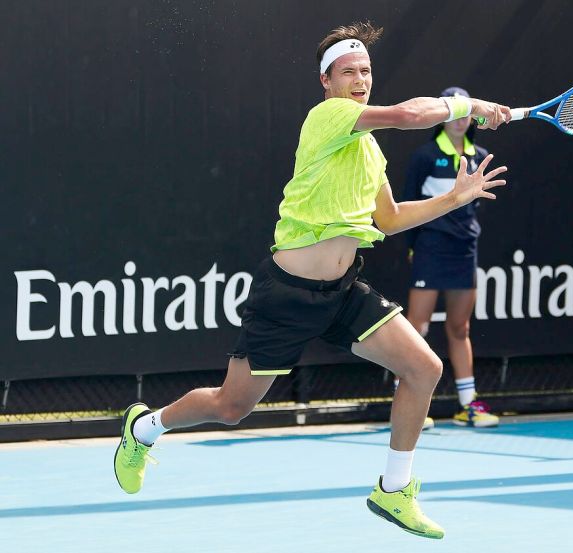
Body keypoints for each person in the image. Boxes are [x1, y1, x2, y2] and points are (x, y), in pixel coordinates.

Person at [111, 21, 510, 540]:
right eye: (349, 71)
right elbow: (411, 114)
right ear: (327, 81)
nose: (360, 78)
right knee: (231, 408)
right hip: (287, 296)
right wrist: (471, 105)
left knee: (423, 368)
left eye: (366, 69)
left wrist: (452, 199)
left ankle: (393, 490)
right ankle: (144, 428)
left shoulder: (368, 150)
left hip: (342, 293)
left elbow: (387, 219)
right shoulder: (329, 117)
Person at [401, 87, 499, 428]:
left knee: (460, 327)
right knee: (418, 327)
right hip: (430, 248)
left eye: (465, 113)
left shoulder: (480, 155)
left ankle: (468, 405)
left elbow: (474, 207)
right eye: (453, 112)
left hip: (463, 251)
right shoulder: (425, 157)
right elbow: (405, 205)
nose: (459, 120)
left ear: (472, 117)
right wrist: (414, 246)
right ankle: (407, 401)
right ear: (443, 116)